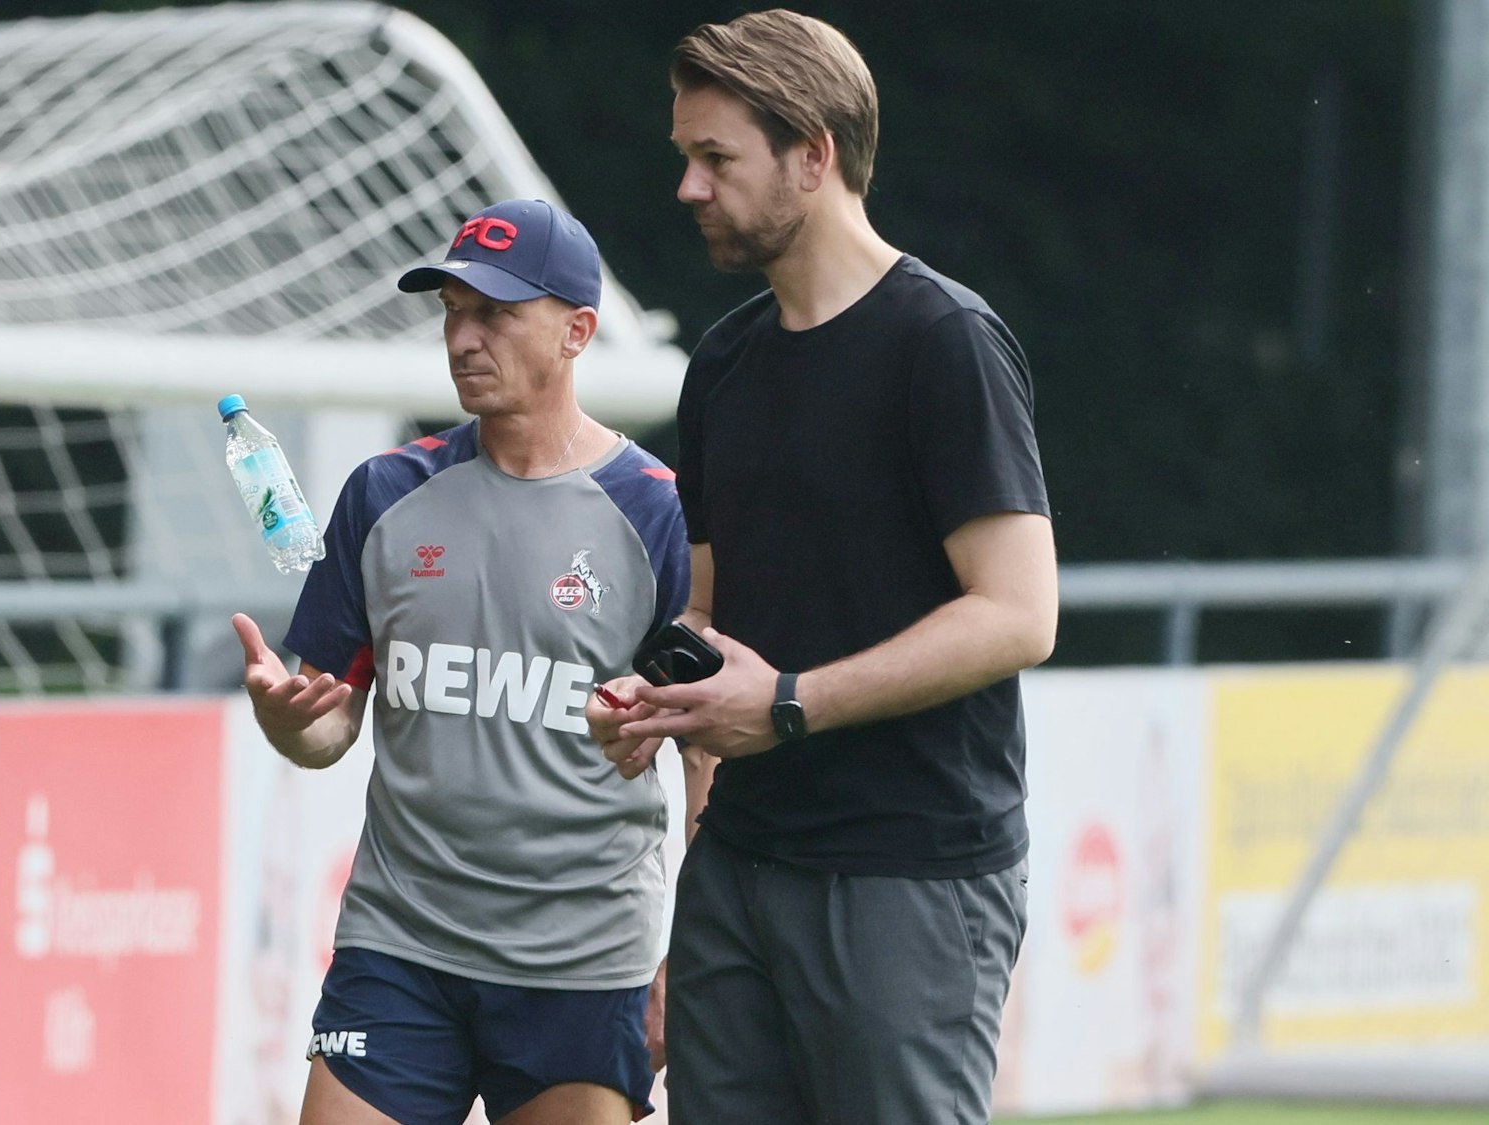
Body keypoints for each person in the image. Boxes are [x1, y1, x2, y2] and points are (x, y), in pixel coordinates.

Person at [587, 11, 1059, 1125]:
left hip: (911, 874)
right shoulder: (724, 360)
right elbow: (706, 615)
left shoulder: (943, 341)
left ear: (814, 156)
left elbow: (1017, 614)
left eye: (716, 159)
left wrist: (788, 705)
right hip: (739, 868)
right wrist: (654, 697)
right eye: (683, 159)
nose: (687, 189)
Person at [233, 197, 689, 1125]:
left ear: (577, 331)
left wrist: (699, 956)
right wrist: (290, 720)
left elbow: (712, 751)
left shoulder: (658, 513)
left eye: (494, 312)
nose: (462, 337)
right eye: (450, 310)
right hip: (398, 949)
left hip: (584, 961)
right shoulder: (385, 494)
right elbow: (328, 722)